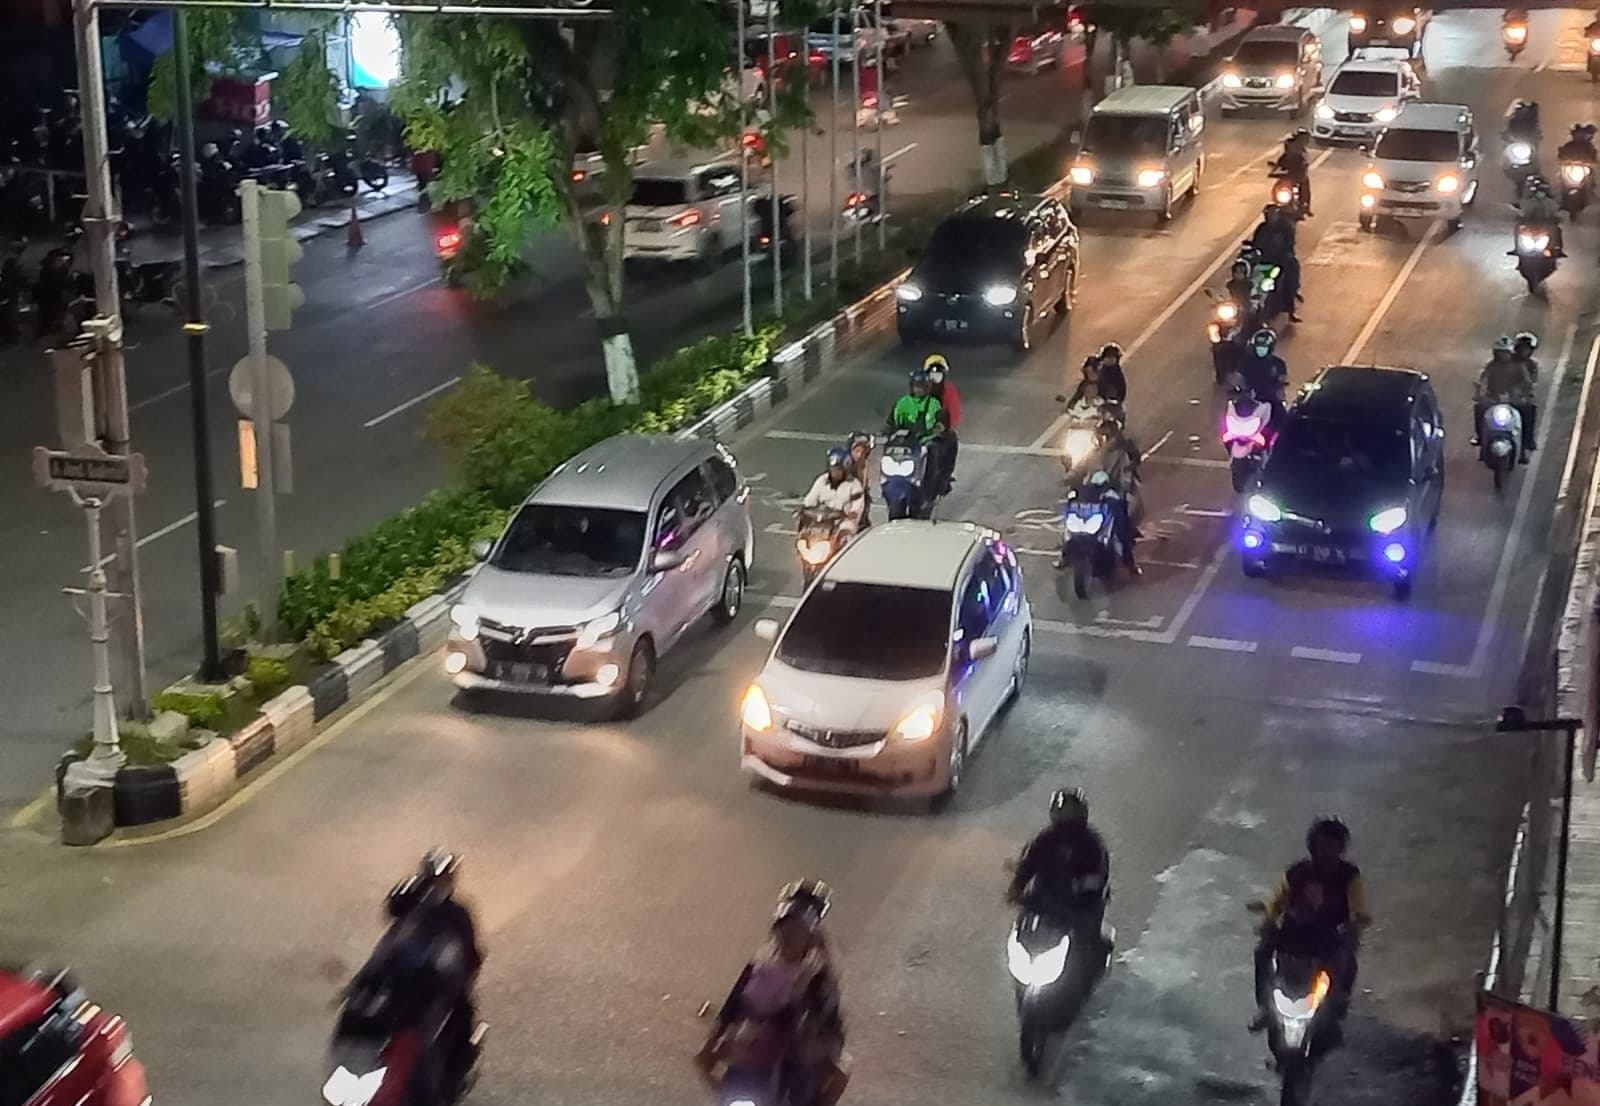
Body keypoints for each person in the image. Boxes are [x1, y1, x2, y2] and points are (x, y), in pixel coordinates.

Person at [697, 884, 849, 1106]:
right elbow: (731, 1007)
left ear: (811, 937)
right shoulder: (758, 967)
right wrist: (713, 1041)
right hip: (749, 1062)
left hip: (790, 1065)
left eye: (797, 931)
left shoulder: (819, 979)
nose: (788, 937)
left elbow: (825, 1028)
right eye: (784, 929)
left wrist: (797, 993)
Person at [1251, 818, 1370, 1034]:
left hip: (1329, 934)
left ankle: (1337, 1003)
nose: (1325, 853)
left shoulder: (1349, 876)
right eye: (1321, 846)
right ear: (1312, 846)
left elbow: (1357, 906)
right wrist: (1267, 921)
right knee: (1261, 952)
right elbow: (1277, 902)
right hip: (1295, 932)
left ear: (1340, 848)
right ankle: (1264, 1008)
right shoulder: (1296, 872)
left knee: (1346, 960)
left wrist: (1355, 924)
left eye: (1331, 847)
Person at [381, 850, 483, 1086]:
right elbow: (392, 915)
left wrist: (462, 971)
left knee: (462, 1013)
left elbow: (470, 954)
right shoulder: (409, 901)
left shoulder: (457, 914)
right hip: (402, 979)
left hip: (440, 984)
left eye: (441, 880)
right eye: (433, 880)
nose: (437, 886)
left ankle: (454, 1075)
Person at [1007, 788, 1112, 951]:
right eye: (1064, 815)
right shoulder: (1045, 839)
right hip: (1045, 902)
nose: (1067, 820)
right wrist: (1017, 887)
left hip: (1079, 906)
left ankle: (1088, 964)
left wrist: (1079, 890)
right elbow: (1029, 864)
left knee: (1088, 942)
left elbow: (1097, 879)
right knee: (1023, 930)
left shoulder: (1092, 844)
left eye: (1071, 815)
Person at [1473, 336, 1537, 460]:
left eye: (1505, 353)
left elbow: (1526, 383)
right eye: (1500, 353)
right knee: (1479, 409)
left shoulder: (1519, 366)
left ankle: (1525, 444)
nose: (1503, 356)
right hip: (1494, 400)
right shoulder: (1491, 366)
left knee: (1528, 411)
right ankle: (1481, 439)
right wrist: (1480, 394)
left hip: (1514, 401)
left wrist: (1522, 394)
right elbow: (1483, 380)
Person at [887, 368, 951, 494]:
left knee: (933, 449)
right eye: (916, 386)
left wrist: (938, 429)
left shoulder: (934, 404)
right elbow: (892, 423)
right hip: (905, 442)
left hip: (926, 442)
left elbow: (940, 422)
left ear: (928, 387)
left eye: (922, 386)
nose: (919, 389)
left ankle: (929, 487)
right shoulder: (902, 403)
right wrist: (889, 432)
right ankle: (889, 481)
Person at [1093, 415, 1142, 575]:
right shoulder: (1094, 452)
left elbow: (1126, 474)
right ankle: (1066, 554)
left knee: (1122, 527)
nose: (1105, 439)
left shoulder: (1121, 454)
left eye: (1108, 435)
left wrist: (1121, 487)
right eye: (1102, 435)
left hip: (1113, 495)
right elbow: (1082, 469)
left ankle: (1129, 562)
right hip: (1093, 495)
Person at [1250, 205, 1302, 322]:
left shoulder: (1285, 227)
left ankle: (1290, 310)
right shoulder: (1261, 229)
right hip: (1263, 261)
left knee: (1290, 278)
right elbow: (1255, 244)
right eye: (1268, 214)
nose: (1270, 217)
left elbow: (1290, 243)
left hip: (1280, 260)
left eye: (1272, 214)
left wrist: (1286, 254)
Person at [801, 447, 867, 535]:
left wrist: (851, 514)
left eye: (838, 469)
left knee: (847, 530)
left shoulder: (855, 485)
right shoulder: (822, 480)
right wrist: (804, 509)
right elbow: (810, 499)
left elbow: (857, 508)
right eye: (832, 469)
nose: (834, 472)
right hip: (822, 520)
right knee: (804, 529)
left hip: (843, 521)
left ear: (845, 469)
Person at [923, 353, 961, 496]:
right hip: (919, 432)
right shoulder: (920, 388)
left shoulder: (949, 391)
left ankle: (944, 478)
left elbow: (954, 412)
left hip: (940, 433)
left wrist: (946, 427)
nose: (935, 377)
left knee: (952, 442)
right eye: (932, 373)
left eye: (938, 373)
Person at [1240, 327, 1288, 427]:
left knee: (1285, 423)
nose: (1261, 349)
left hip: (1270, 399)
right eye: (1258, 346)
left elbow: (1282, 383)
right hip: (1249, 398)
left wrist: (1279, 393)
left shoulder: (1278, 364)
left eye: (1264, 347)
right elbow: (1238, 378)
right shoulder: (1246, 362)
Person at [1519, 174, 1564, 257]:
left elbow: (1555, 212)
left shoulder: (1550, 203)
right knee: (1518, 229)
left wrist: (1557, 219)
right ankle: (1517, 249)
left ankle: (1557, 249)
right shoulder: (1529, 202)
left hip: (1546, 227)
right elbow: (1523, 212)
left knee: (1557, 230)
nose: (1539, 193)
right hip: (1531, 227)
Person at [1272, 128, 1313, 217]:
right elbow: (1280, 162)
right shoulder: (1291, 148)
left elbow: (1305, 164)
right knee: (1277, 186)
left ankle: (1305, 206)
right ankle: (1275, 200)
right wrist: (1275, 169)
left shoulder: (1303, 152)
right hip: (1288, 175)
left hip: (1297, 174)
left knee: (1305, 185)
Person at [843, 431, 875, 529]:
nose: (860, 455)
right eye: (857, 451)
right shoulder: (844, 462)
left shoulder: (865, 464)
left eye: (863, 452)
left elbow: (864, 486)